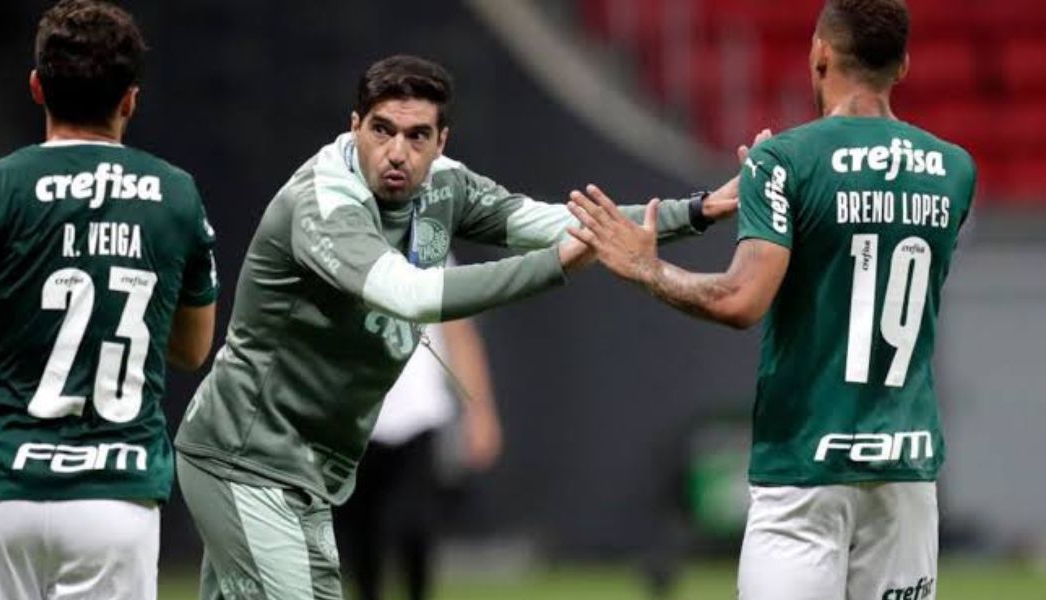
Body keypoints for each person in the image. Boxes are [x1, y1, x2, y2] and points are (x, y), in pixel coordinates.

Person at [175, 53, 746, 600]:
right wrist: (552, 267)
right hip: (248, 457)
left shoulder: (444, 186)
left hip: (308, 468)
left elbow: (553, 222)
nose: (396, 151)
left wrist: (695, 212)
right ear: (354, 127)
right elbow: (411, 294)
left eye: (417, 135)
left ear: (440, 141)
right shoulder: (325, 200)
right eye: (381, 130)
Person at [567, 1, 976, 598]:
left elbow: (741, 300)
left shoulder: (784, 160)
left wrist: (646, 268)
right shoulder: (954, 169)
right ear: (904, 65)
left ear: (820, 54)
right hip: (906, 468)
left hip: (805, 465)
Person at [0, 1, 218, 598]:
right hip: (115, 492)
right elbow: (191, 349)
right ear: (130, 100)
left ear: (37, 87)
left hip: (1, 486)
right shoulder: (176, 195)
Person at [335, 316, 500, 600]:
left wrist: (480, 410)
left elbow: (459, 333)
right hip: (355, 416)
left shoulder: (429, 283)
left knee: (415, 524)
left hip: (418, 416)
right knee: (362, 532)